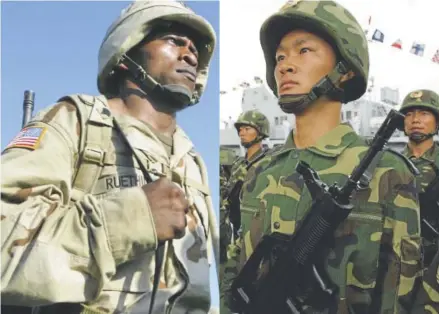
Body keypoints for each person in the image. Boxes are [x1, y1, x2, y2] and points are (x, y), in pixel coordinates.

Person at [1, 1, 219, 313]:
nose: (190, 54)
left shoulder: (192, 159)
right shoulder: (78, 121)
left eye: (194, 47)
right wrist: (132, 218)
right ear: (127, 52)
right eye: (173, 40)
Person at [220, 1, 422, 313]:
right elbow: (235, 268)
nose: (285, 65)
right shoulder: (259, 172)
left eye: (304, 51)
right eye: (280, 57)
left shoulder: (388, 174)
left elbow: (401, 297)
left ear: (345, 71)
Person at [399, 89, 439, 312]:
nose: (415, 120)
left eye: (424, 114)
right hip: (393, 262)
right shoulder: (386, 163)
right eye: (409, 114)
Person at [219, 111, 270, 278]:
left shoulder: (269, 162)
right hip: (234, 229)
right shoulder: (238, 164)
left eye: (247, 128)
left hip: (256, 230)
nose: (242, 132)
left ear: (260, 132)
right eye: (240, 129)